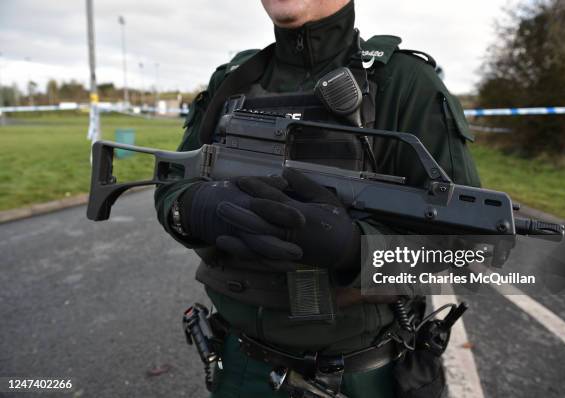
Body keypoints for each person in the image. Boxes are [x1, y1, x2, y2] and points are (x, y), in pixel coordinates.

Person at [155, 1, 481, 397]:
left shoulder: (406, 83)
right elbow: (171, 181)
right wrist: (193, 209)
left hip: (359, 378)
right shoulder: (232, 80)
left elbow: (466, 245)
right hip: (239, 367)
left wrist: (354, 250)